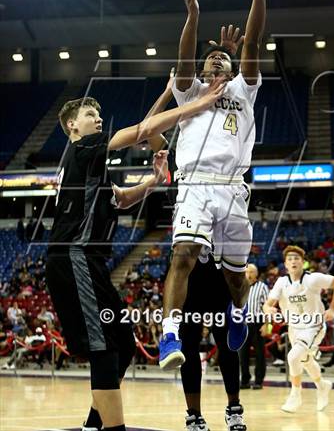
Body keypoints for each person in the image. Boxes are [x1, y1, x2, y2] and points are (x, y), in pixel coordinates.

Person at [46, 83, 225, 431]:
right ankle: (111, 428)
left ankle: (93, 423)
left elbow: (121, 198)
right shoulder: (83, 149)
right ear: (72, 126)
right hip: (74, 258)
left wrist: (153, 181)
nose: (98, 120)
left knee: (124, 344)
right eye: (90, 115)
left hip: (87, 262)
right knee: (104, 348)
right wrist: (200, 102)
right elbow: (144, 131)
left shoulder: (86, 167)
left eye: (98, 115)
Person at [160, 0, 288, 370]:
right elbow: (184, 55)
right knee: (182, 254)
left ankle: (237, 311)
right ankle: (168, 336)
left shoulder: (244, 90)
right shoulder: (189, 90)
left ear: (234, 71)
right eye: (210, 58)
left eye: (223, 59)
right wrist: (193, 15)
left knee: (236, 276)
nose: (216, 60)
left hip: (233, 186)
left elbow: (252, 42)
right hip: (194, 184)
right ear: (201, 68)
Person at [263, 245, 334, 413]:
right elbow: (267, 304)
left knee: (293, 357)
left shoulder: (313, 279)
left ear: (303, 262)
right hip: (294, 327)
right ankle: (322, 385)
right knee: (305, 360)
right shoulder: (281, 282)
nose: (293, 261)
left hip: (314, 325)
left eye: (297, 258)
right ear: (285, 264)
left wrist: (332, 309)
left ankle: (295, 394)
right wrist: (268, 310)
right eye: (290, 259)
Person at [180, 256, 247, 431]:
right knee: (188, 349)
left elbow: (239, 264)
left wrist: (239, 304)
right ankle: (194, 416)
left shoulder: (226, 229)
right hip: (190, 284)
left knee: (228, 347)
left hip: (221, 284)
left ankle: (234, 409)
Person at [239, 264, 269, 390]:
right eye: (247, 272)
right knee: (242, 355)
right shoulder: (240, 288)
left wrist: (266, 325)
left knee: (259, 354)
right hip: (243, 324)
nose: (249, 274)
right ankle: (245, 380)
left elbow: (268, 306)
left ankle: (258, 380)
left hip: (258, 323)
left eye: (251, 272)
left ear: (256, 274)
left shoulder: (263, 287)